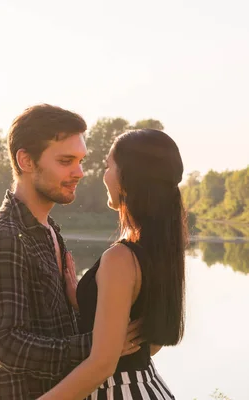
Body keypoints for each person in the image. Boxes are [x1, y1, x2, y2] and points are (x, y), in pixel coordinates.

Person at [0, 104, 144, 400]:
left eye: (80, 161)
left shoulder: (48, 229)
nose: (79, 172)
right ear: (25, 160)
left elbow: (53, 330)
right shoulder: (5, 238)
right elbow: (9, 347)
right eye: (66, 161)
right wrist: (101, 345)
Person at [39, 129, 187, 400]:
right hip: (146, 387)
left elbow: (102, 365)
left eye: (108, 166)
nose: (103, 175)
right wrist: (82, 300)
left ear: (128, 179)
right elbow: (148, 345)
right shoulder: (158, 250)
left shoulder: (120, 258)